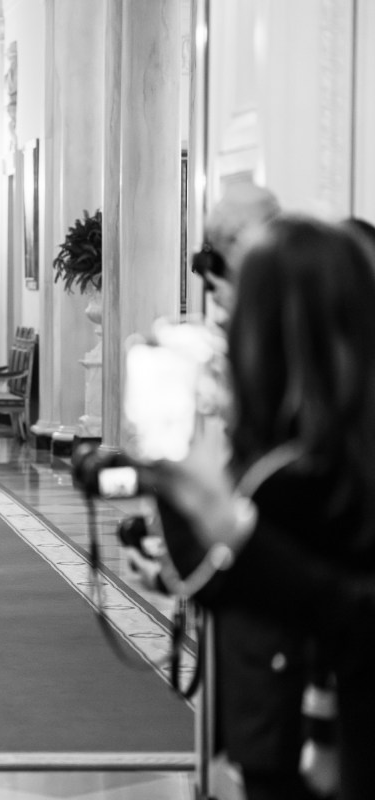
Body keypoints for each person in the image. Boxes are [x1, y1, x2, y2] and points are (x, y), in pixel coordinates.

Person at [144, 215, 375, 800]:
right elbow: (232, 574)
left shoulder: (320, 470)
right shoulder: (283, 447)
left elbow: (345, 610)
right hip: (273, 717)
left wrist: (230, 528)